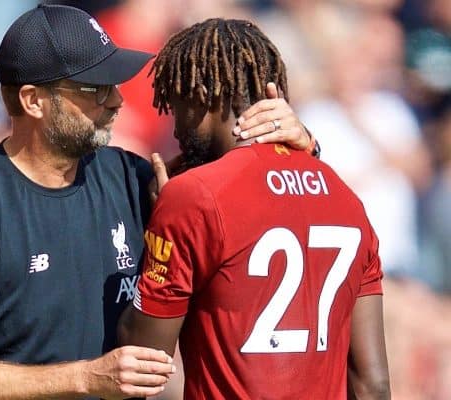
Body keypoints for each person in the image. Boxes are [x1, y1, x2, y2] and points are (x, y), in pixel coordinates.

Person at [0, 5, 316, 400]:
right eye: (96, 88)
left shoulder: (130, 176)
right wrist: (88, 377)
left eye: (115, 84)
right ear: (33, 100)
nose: (116, 101)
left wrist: (302, 146)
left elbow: (260, 199)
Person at [118, 18, 391, 400]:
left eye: (175, 104)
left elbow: (144, 359)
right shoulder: (346, 197)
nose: (175, 127)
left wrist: (156, 231)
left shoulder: (193, 195)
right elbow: (373, 385)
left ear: (202, 95)